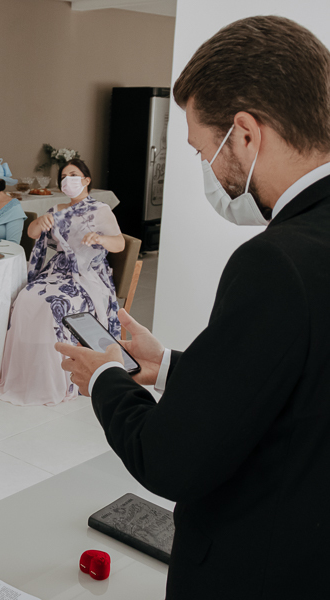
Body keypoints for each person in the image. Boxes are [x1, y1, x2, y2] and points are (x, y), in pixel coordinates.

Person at [57, 16, 330, 600]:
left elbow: (171, 459)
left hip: (261, 569)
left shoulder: (275, 263)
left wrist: (105, 377)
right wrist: (175, 367)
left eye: (205, 151)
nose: (208, 172)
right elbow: (295, 390)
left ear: (247, 134)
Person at [0, 158, 123, 406]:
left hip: (88, 274)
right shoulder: (57, 209)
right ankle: (29, 371)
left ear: (86, 179)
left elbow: (120, 243)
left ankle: (58, 375)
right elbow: (32, 233)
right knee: (24, 299)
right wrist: (40, 222)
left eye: (73, 174)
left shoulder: (100, 210)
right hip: (58, 270)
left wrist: (101, 240)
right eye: (63, 176)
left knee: (54, 305)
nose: (67, 179)